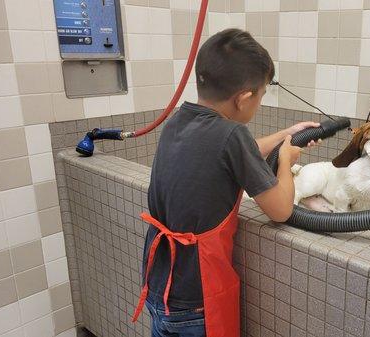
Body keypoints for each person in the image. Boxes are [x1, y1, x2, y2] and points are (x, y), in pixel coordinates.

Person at [131, 28, 320, 337]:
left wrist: (288, 134)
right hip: (197, 301)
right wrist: (285, 162)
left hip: (159, 289)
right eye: (260, 95)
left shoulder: (179, 120)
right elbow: (281, 210)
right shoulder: (233, 136)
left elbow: (230, 153)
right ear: (244, 98)